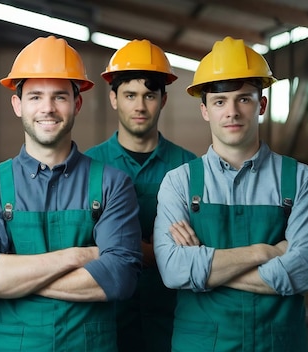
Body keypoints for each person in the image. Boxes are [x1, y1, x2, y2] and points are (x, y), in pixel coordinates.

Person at [0, 35, 143, 352]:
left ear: (77, 103)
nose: (47, 108)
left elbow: (120, 277)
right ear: (17, 105)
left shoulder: (113, 184)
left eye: (59, 96)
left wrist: (17, 277)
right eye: (35, 97)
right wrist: (79, 256)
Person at [153, 36, 308, 351]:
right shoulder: (178, 183)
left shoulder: (302, 181)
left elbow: (304, 273)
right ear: (205, 109)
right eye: (220, 101)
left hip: (278, 344)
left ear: (261, 105)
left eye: (244, 99)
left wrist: (204, 270)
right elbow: (173, 270)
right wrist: (265, 253)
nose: (231, 111)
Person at [85, 39, 197, 351]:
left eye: (149, 95)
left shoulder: (190, 167)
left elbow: (198, 248)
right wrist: (163, 252)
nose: (139, 106)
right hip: (107, 323)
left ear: (163, 99)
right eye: (130, 95)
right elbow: (81, 242)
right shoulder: (88, 167)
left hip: (173, 322)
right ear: (113, 99)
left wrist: (118, 248)